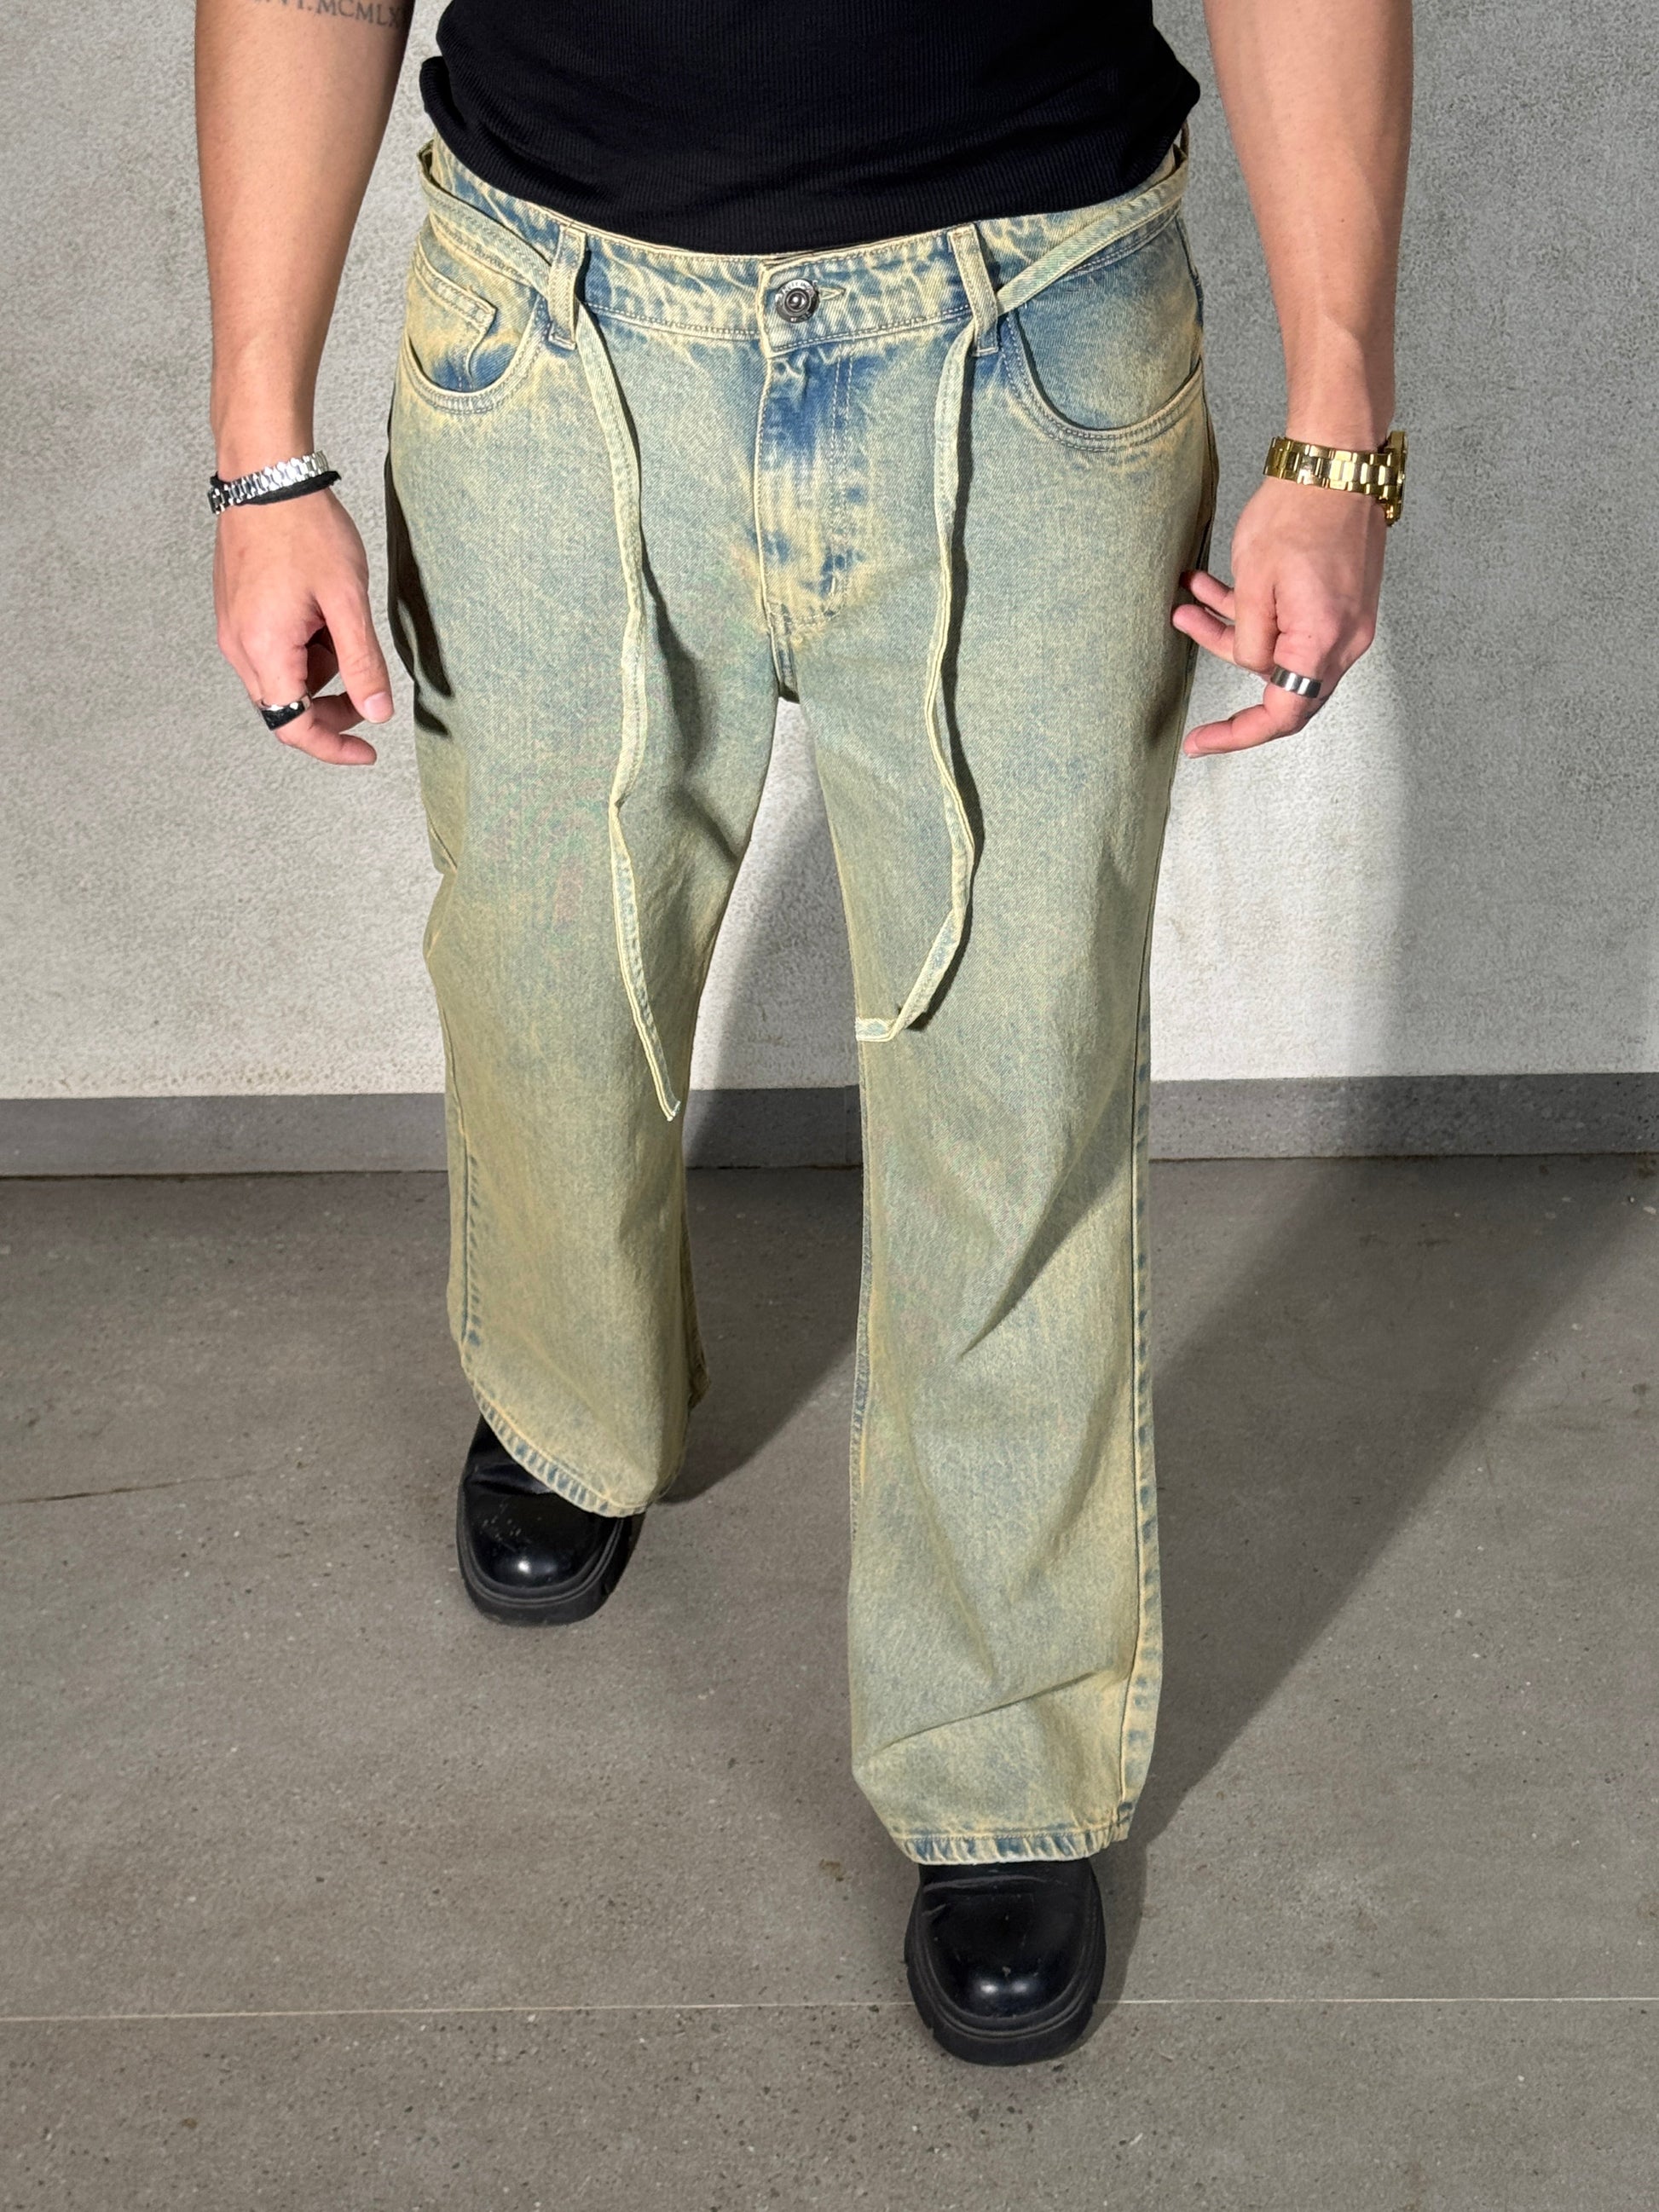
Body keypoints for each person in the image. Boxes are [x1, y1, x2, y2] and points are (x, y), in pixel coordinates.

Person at [198, 0, 1410, 2065]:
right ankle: (574, 1399)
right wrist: (261, 451)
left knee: (1016, 1062)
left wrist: (1337, 428)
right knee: (542, 975)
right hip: (547, 324)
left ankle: (1001, 1743)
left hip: (1027, 325)